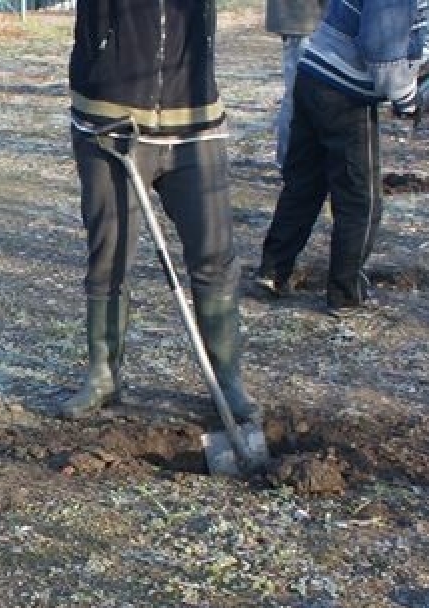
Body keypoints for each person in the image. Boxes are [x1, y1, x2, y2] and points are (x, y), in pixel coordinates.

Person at [57, 0, 258, 439]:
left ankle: (226, 377)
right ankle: (103, 375)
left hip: (196, 119)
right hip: (110, 119)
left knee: (215, 256)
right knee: (109, 256)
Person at [254, 0, 429, 314]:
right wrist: (407, 100)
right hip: (344, 93)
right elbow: (381, 54)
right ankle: (345, 293)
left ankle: (272, 271)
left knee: (303, 186)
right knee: (360, 200)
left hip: (313, 74)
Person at [266, 0, 327, 168]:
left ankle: (296, 163)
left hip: (308, 19)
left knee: (299, 95)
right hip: (304, 19)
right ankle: (291, 163)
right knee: (297, 96)